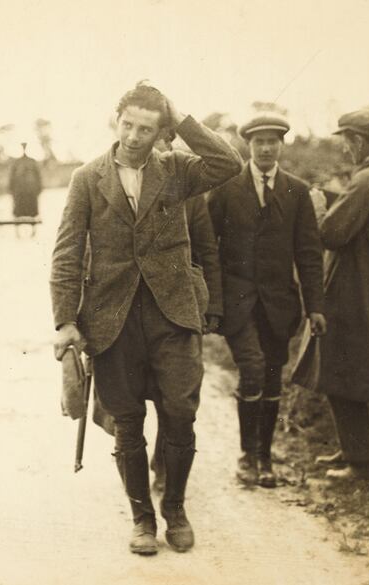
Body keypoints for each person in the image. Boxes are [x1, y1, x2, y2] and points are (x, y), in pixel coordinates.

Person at [51, 83, 241, 555]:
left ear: (161, 132)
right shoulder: (87, 178)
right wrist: (64, 321)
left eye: (147, 128)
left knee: (181, 413)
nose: (135, 136)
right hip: (111, 319)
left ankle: (174, 508)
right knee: (128, 422)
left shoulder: (176, 170)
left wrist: (184, 124)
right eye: (127, 124)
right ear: (115, 121)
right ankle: (142, 519)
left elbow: (228, 164)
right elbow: (67, 254)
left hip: (172, 313)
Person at [207, 113, 326, 489]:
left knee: (274, 378)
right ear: (248, 145)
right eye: (259, 141)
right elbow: (209, 249)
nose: (266, 148)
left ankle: (265, 456)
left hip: (280, 305)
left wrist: (315, 307)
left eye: (273, 141)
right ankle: (246, 455)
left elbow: (308, 254)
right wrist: (211, 302)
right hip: (238, 302)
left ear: (281, 146)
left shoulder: (297, 191)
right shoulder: (226, 190)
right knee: (254, 368)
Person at [293, 109, 369, 480]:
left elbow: (332, 234)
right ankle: (352, 452)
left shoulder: (367, 181)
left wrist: (318, 208)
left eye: (346, 141)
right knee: (348, 375)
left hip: (355, 294)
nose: (345, 149)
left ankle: (361, 462)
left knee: (343, 376)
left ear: (358, 140)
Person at [148, 129, 223, 493]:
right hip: (138, 304)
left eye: (166, 143)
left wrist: (214, 306)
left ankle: (164, 462)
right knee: (133, 392)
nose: (160, 152)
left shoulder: (190, 193)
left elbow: (208, 249)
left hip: (180, 303)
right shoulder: (122, 183)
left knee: (174, 393)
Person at [9, 142, 42, 237]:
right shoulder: (16, 162)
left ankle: (33, 231)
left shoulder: (32, 161)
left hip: (30, 191)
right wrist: (11, 189)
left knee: (32, 211)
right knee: (18, 211)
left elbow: (38, 176)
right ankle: (17, 232)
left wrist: (38, 188)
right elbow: (12, 177)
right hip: (19, 191)